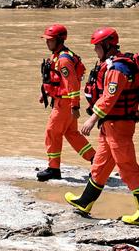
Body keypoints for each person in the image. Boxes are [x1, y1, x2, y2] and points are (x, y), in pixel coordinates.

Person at [64, 27, 139, 225]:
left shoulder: (117, 69)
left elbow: (109, 98)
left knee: (127, 166)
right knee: (101, 164)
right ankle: (85, 202)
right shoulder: (113, 64)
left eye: (97, 46)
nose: (95, 50)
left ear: (107, 45)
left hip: (119, 125)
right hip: (110, 124)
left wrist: (91, 119)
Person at [36, 24, 97, 182]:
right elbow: (53, 79)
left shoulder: (63, 59)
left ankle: (53, 168)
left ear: (59, 40)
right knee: (71, 134)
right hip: (64, 102)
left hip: (65, 104)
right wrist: (45, 93)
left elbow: (73, 84)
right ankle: (96, 160)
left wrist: (74, 105)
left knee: (52, 133)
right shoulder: (57, 55)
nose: (47, 43)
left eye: (50, 40)